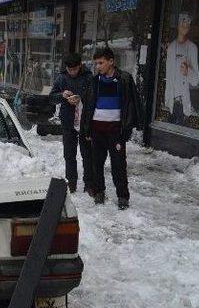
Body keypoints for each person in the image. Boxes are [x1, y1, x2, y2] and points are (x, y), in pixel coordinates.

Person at [81, 48, 140, 210]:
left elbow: (131, 104)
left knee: (119, 164)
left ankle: (123, 196)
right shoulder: (94, 81)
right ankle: (99, 191)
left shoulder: (124, 79)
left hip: (115, 130)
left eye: (101, 63)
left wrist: (127, 129)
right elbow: (88, 107)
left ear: (111, 61)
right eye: (96, 63)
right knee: (97, 163)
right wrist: (87, 130)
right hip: (97, 129)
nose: (98, 66)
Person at [49, 53, 93, 194]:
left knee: (87, 154)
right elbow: (51, 98)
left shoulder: (88, 77)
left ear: (80, 65)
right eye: (69, 69)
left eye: (74, 69)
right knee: (69, 154)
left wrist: (81, 98)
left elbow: (94, 96)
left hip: (85, 122)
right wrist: (62, 96)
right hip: (68, 121)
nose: (72, 72)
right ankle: (71, 183)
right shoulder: (62, 78)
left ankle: (89, 184)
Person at [165, 12, 199, 124]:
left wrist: (187, 72)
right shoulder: (170, 48)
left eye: (187, 24)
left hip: (183, 105)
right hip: (170, 104)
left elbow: (195, 80)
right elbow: (168, 77)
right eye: (182, 23)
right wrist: (166, 101)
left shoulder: (192, 48)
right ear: (178, 25)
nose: (185, 26)